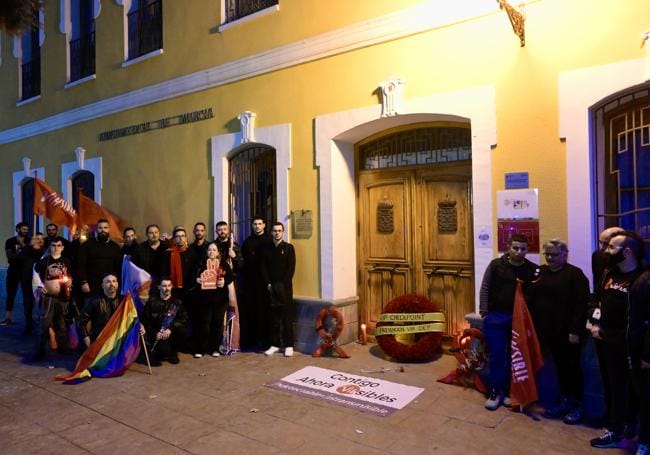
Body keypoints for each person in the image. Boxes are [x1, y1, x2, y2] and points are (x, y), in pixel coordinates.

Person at [589, 231, 645, 449]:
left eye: (611, 247)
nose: (605, 251)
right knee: (615, 386)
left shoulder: (642, 278)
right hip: (607, 341)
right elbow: (597, 299)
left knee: (634, 389)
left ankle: (631, 426)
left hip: (633, 346)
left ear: (628, 252)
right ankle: (615, 428)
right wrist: (595, 322)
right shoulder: (608, 273)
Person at [529, 239, 590, 424]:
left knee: (573, 370)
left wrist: (575, 330)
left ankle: (578, 405)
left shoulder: (575, 275)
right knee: (559, 369)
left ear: (565, 255)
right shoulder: (540, 272)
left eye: (554, 254)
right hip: (547, 332)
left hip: (568, 333)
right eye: (546, 254)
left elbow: (582, 304)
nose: (549, 258)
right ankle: (564, 401)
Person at [479, 234, 540, 410]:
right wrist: (484, 313)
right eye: (516, 248)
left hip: (518, 321)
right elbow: (485, 287)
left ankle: (509, 392)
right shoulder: (496, 265)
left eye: (523, 249)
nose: (519, 252)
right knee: (497, 354)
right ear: (508, 247)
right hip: (496, 317)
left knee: (516, 357)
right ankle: (494, 391)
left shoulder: (532, 270)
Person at [32, 238, 73, 359]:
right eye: (53, 245)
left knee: (61, 323)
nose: (56, 248)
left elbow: (70, 276)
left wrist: (70, 281)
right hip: (48, 298)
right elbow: (35, 274)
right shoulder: (44, 261)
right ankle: (40, 351)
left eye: (58, 245)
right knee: (44, 324)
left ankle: (63, 348)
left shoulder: (66, 261)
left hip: (62, 297)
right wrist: (39, 286)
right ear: (50, 247)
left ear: (62, 247)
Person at [261, 222, 296, 357]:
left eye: (279, 231)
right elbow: (263, 268)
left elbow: (291, 268)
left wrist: (283, 285)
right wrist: (268, 283)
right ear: (271, 232)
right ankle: (274, 345)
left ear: (283, 232)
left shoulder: (289, 248)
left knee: (287, 317)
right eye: (274, 231)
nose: (277, 233)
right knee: (273, 318)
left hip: (285, 288)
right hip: (271, 288)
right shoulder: (267, 249)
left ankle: (288, 345)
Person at [193, 243, 234, 358]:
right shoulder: (201, 263)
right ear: (207, 252)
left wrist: (224, 281)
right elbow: (193, 276)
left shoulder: (223, 264)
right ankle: (200, 349)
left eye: (214, 250)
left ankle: (214, 348)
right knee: (204, 324)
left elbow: (231, 276)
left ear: (217, 253)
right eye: (209, 250)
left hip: (220, 300)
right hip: (204, 299)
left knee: (217, 323)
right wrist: (196, 280)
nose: (211, 251)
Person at [241, 216, 273, 349]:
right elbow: (243, 262)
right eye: (255, 224)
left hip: (265, 283)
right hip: (250, 283)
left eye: (260, 224)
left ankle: (266, 342)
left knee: (265, 312)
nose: (257, 226)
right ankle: (252, 341)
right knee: (251, 312)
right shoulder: (247, 242)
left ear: (264, 225)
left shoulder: (270, 241)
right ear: (252, 226)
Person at [141, 278, 188, 365]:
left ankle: (173, 353)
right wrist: (155, 333)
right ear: (159, 287)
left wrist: (170, 329)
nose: (167, 288)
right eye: (164, 286)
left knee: (183, 331)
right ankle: (161, 353)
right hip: (157, 334)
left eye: (169, 286)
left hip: (171, 333)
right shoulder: (151, 302)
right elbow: (145, 321)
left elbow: (183, 319)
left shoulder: (177, 302)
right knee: (163, 353)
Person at [628, 268, 650, 455]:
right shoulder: (644, 280)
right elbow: (639, 321)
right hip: (644, 353)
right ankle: (644, 441)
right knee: (646, 400)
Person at [76, 219, 122, 297]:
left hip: (109, 286)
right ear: (96, 229)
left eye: (105, 228)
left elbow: (118, 267)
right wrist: (83, 282)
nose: (103, 230)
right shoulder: (87, 245)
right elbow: (80, 265)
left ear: (109, 229)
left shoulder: (115, 247)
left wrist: (117, 284)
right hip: (91, 285)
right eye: (100, 228)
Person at [79, 274, 121, 346]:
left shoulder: (123, 300)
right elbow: (80, 321)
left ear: (117, 284)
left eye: (114, 281)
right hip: (99, 340)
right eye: (108, 282)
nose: (112, 284)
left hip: (118, 339)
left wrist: (139, 324)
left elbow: (131, 315)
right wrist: (85, 337)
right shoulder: (94, 301)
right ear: (102, 286)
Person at [2, 222, 30, 326]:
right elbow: (10, 257)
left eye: (27, 229)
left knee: (27, 296)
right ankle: (8, 318)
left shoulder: (29, 241)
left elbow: (29, 256)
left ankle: (28, 320)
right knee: (10, 295)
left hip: (26, 272)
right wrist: (23, 254)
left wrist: (22, 246)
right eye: (23, 229)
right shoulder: (10, 241)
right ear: (17, 229)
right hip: (13, 271)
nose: (26, 231)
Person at [19, 233, 46, 335]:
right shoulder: (27, 250)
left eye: (41, 239)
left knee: (42, 304)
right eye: (37, 238)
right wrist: (30, 246)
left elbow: (42, 259)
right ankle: (28, 325)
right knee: (28, 304)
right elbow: (20, 258)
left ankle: (43, 326)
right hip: (27, 280)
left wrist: (37, 249)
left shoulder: (45, 250)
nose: (39, 240)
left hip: (41, 281)